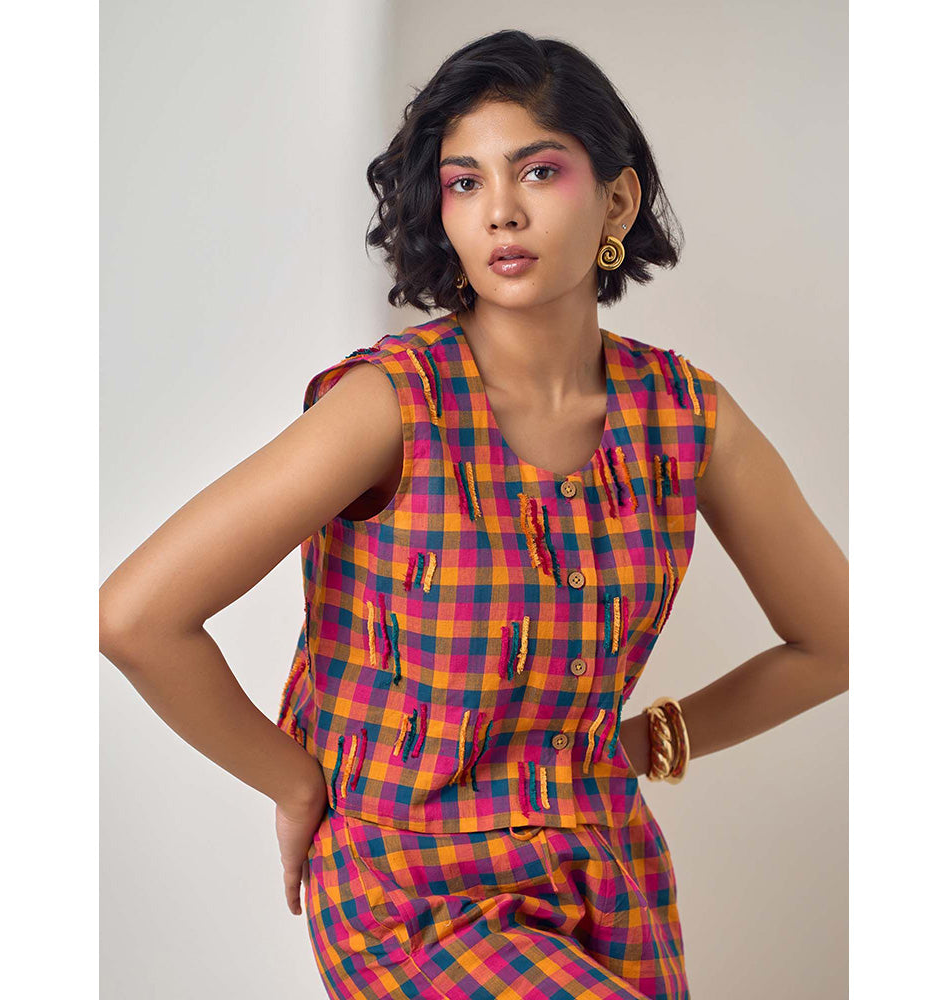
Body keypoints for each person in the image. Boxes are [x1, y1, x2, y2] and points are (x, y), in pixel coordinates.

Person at [100, 28, 848, 1000]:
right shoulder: (391, 405)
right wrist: (296, 783)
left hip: (607, 872)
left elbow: (837, 641)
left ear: (617, 200)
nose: (501, 210)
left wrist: (643, 743)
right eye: (464, 182)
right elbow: (136, 618)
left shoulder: (684, 416)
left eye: (538, 171)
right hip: (411, 889)